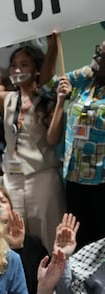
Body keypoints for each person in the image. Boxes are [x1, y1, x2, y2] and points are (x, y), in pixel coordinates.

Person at [0, 35, 67, 252]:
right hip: (12, 180)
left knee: (47, 239)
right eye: (14, 66)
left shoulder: (47, 98)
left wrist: (53, 45)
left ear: (36, 68)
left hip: (42, 176)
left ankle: (51, 285)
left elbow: (52, 139)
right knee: (13, 240)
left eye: (24, 65)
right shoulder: (7, 98)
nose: (17, 70)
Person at [40, 40, 105, 249]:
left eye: (102, 55)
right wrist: (52, 47)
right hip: (75, 177)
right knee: (79, 241)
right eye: (97, 50)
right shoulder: (85, 77)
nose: (96, 56)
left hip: (101, 181)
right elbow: (47, 87)